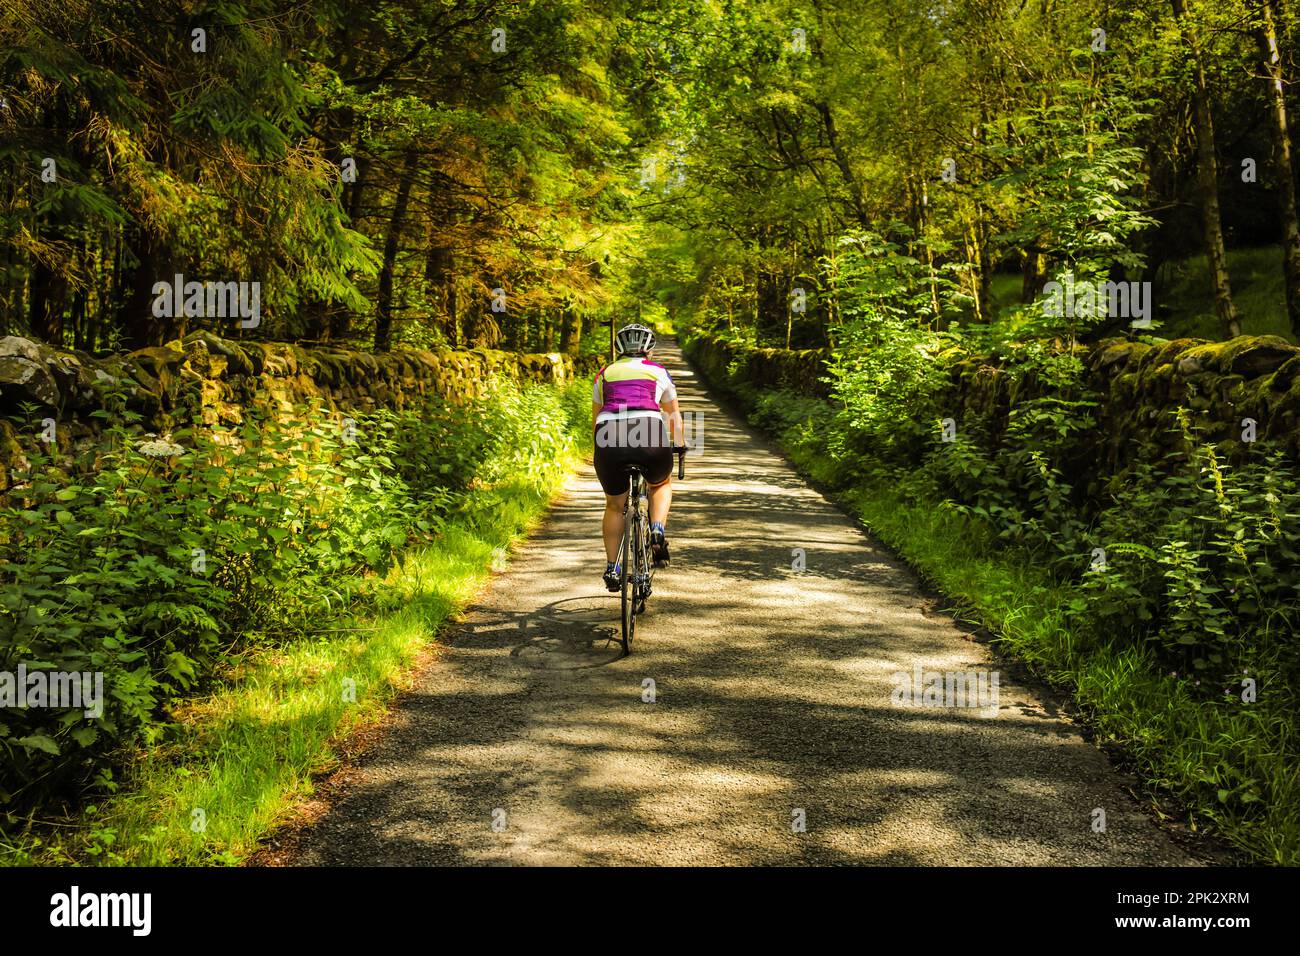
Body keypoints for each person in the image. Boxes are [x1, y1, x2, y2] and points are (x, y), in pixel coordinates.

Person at [592, 323, 685, 592]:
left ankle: (612, 567)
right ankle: (657, 528)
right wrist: (679, 446)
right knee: (660, 484)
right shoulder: (658, 372)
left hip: (609, 436)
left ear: (619, 349)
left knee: (614, 505)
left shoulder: (605, 373)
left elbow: (596, 419)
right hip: (649, 433)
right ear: (649, 350)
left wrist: (599, 453)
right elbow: (673, 416)